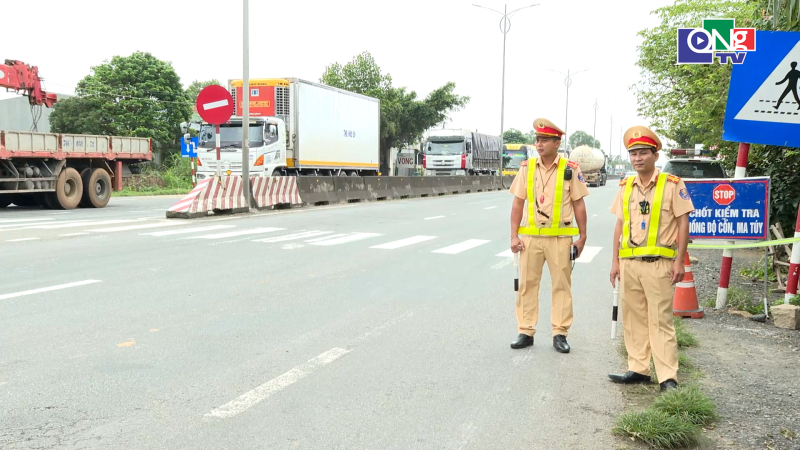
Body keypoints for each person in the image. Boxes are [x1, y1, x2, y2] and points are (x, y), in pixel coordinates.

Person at [607, 125, 694, 391]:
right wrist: (615, 262)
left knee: (660, 320)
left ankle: (668, 377)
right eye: (633, 154)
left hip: (659, 265)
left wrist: (679, 261)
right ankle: (638, 369)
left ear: (655, 156)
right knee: (633, 319)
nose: (637, 158)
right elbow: (620, 226)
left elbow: (683, 223)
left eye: (643, 152)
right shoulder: (626, 186)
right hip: (630, 264)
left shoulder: (672, 185)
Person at [509, 118, 589, 353]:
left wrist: (582, 237)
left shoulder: (570, 169)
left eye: (544, 139)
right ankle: (525, 331)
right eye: (537, 139)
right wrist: (514, 236)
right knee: (527, 285)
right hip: (530, 239)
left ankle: (560, 333)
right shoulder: (527, 168)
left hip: (560, 240)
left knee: (562, 286)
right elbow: (517, 204)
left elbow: (579, 205)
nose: (539, 143)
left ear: (557, 142)